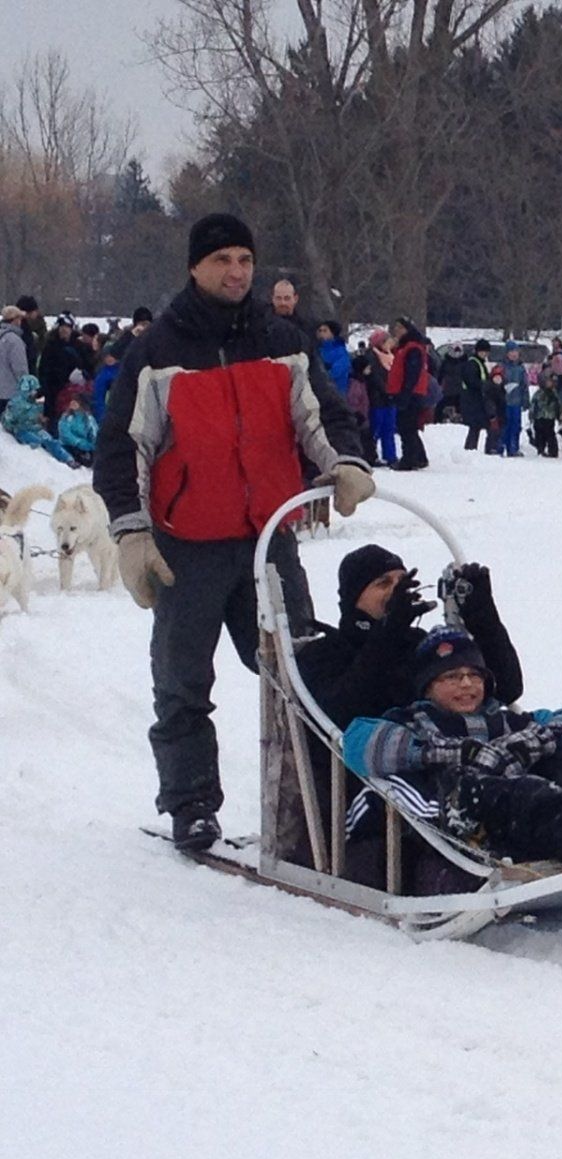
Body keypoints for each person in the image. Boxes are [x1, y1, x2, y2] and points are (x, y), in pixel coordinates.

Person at [93, 211, 373, 850]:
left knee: (304, 675)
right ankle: (191, 802)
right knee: (183, 683)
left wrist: (346, 462)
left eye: (245, 259)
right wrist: (132, 532)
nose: (236, 271)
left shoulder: (282, 340)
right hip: (187, 547)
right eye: (222, 260)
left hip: (269, 542)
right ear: (195, 267)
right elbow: (122, 447)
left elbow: (321, 415)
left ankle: (315, 800)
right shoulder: (157, 352)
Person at [340, 626, 562, 891]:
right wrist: (451, 752)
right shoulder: (413, 721)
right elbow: (358, 744)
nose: (466, 684)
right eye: (451, 676)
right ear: (427, 686)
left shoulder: (502, 718)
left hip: (523, 810)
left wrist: (536, 741)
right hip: (468, 814)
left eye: (473, 675)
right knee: (541, 797)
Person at [386, 317, 432, 470]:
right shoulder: (407, 347)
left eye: (400, 327)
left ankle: (409, 460)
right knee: (410, 427)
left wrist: (405, 393)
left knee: (406, 427)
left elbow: (412, 373)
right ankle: (419, 457)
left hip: (409, 393)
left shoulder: (412, 348)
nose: (396, 330)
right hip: (409, 391)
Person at [4, 375, 78, 465]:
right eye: (33, 390)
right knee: (34, 440)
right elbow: (7, 420)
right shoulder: (15, 403)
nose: (35, 392)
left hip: (35, 428)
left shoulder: (37, 402)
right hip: (22, 429)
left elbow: (38, 416)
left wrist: (41, 420)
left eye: (36, 390)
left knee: (51, 441)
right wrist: (14, 428)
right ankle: (37, 459)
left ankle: (68, 459)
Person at [36, 314, 88, 424]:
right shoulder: (51, 345)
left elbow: (86, 365)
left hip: (73, 388)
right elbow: (43, 367)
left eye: (67, 327)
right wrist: (44, 385)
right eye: (62, 327)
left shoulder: (79, 345)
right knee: (53, 418)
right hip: (53, 388)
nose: (64, 330)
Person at [365, 329, 399, 467]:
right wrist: (387, 391)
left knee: (389, 428)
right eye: (387, 342)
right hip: (377, 398)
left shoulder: (390, 356)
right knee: (375, 428)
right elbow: (375, 377)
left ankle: (390, 455)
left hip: (389, 398)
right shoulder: (372, 356)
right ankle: (370, 455)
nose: (390, 345)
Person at [459, 338, 494, 452]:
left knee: (477, 427)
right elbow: (472, 381)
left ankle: (472, 449)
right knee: (475, 426)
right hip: (472, 400)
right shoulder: (472, 364)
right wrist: (485, 385)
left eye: (486, 352)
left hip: (477, 400)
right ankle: (470, 449)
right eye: (482, 351)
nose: (485, 354)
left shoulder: (479, 363)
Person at [500, 343, 528, 456]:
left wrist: (526, 400)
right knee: (504, 425)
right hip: (504, 402)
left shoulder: (520, 368)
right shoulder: (501, 367)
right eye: (511, 351)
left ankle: (513, 448)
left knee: (515, 425)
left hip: (516, 401)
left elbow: (524, 386)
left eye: (515, 351)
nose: (514, 354)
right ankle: (501, 446)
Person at [529, 370, 562, 457]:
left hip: (550, 418)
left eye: (551, 382)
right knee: (539, 435)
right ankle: (540, 450)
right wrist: (531, 416)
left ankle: (553, 452)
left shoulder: (554, 394)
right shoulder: (538, 394)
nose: (549, 384)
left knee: (550, 435)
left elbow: (558, 406)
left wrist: (559, 417)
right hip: (539, 417)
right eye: (548, 382)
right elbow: (533, 405)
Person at [0, 306, 30, 404]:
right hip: (10, 392)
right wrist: (26, 388)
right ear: (15, 320)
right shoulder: (15, 341)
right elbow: (20, 368)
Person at [57, 395, 98, 463]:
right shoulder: (67, 416)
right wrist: (78, 442)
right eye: (72, 400)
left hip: (83, 448)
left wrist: (90, 445)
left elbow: (94, 435)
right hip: (67, 445)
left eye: (76, 401)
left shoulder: (89, 419)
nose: (72, 402)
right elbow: (64, 433)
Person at [315, 320, 351, 393]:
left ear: (333, 333)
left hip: (336, 392)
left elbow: (334, 373)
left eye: (325, 331)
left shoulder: (341, 352)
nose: (321, 333)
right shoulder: (317, 349)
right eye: (320, 330)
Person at [91, 349, 119, 420]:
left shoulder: (123, 370)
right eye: (107, 357)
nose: (109, 359)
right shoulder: (101, 375)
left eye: (112, 356)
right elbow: (98, 397)